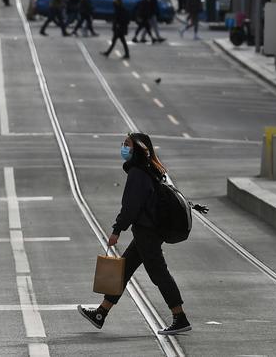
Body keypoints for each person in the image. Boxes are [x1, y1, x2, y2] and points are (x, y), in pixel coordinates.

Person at [78, 132, 192, 335]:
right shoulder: (148, 169)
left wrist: (116, 230)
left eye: (127, 144)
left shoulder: (138, 173)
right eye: (123, 143)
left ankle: (180, 317)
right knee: (123, 270)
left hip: (147, 232)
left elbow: (131, 207)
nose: (123, 147)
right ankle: (101, 313)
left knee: (159, 273)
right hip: (147, 232)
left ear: (137, 148)